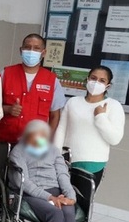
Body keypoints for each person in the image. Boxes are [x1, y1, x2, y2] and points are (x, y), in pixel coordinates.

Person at [53, 66, 124, 213]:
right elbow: (61, 129)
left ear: (108, 85)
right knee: (61, 203)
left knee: (81, 209)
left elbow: (115, 138)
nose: (96, 82)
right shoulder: (73, 102)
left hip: (92, 165)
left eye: (102, 80)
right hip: (66, 161)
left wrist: (100, 117)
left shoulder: (113, 106)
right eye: (93, 78)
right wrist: (55, 155)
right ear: (87, 79)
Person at [0, 34, 65, 145]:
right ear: (21, 50)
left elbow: (54, 116)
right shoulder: (6, 73)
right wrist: (8, 109)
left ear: (43, 53)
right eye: (27, 47)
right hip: (4, 141)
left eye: (36, 48)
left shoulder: (51, 80)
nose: (31, 51)